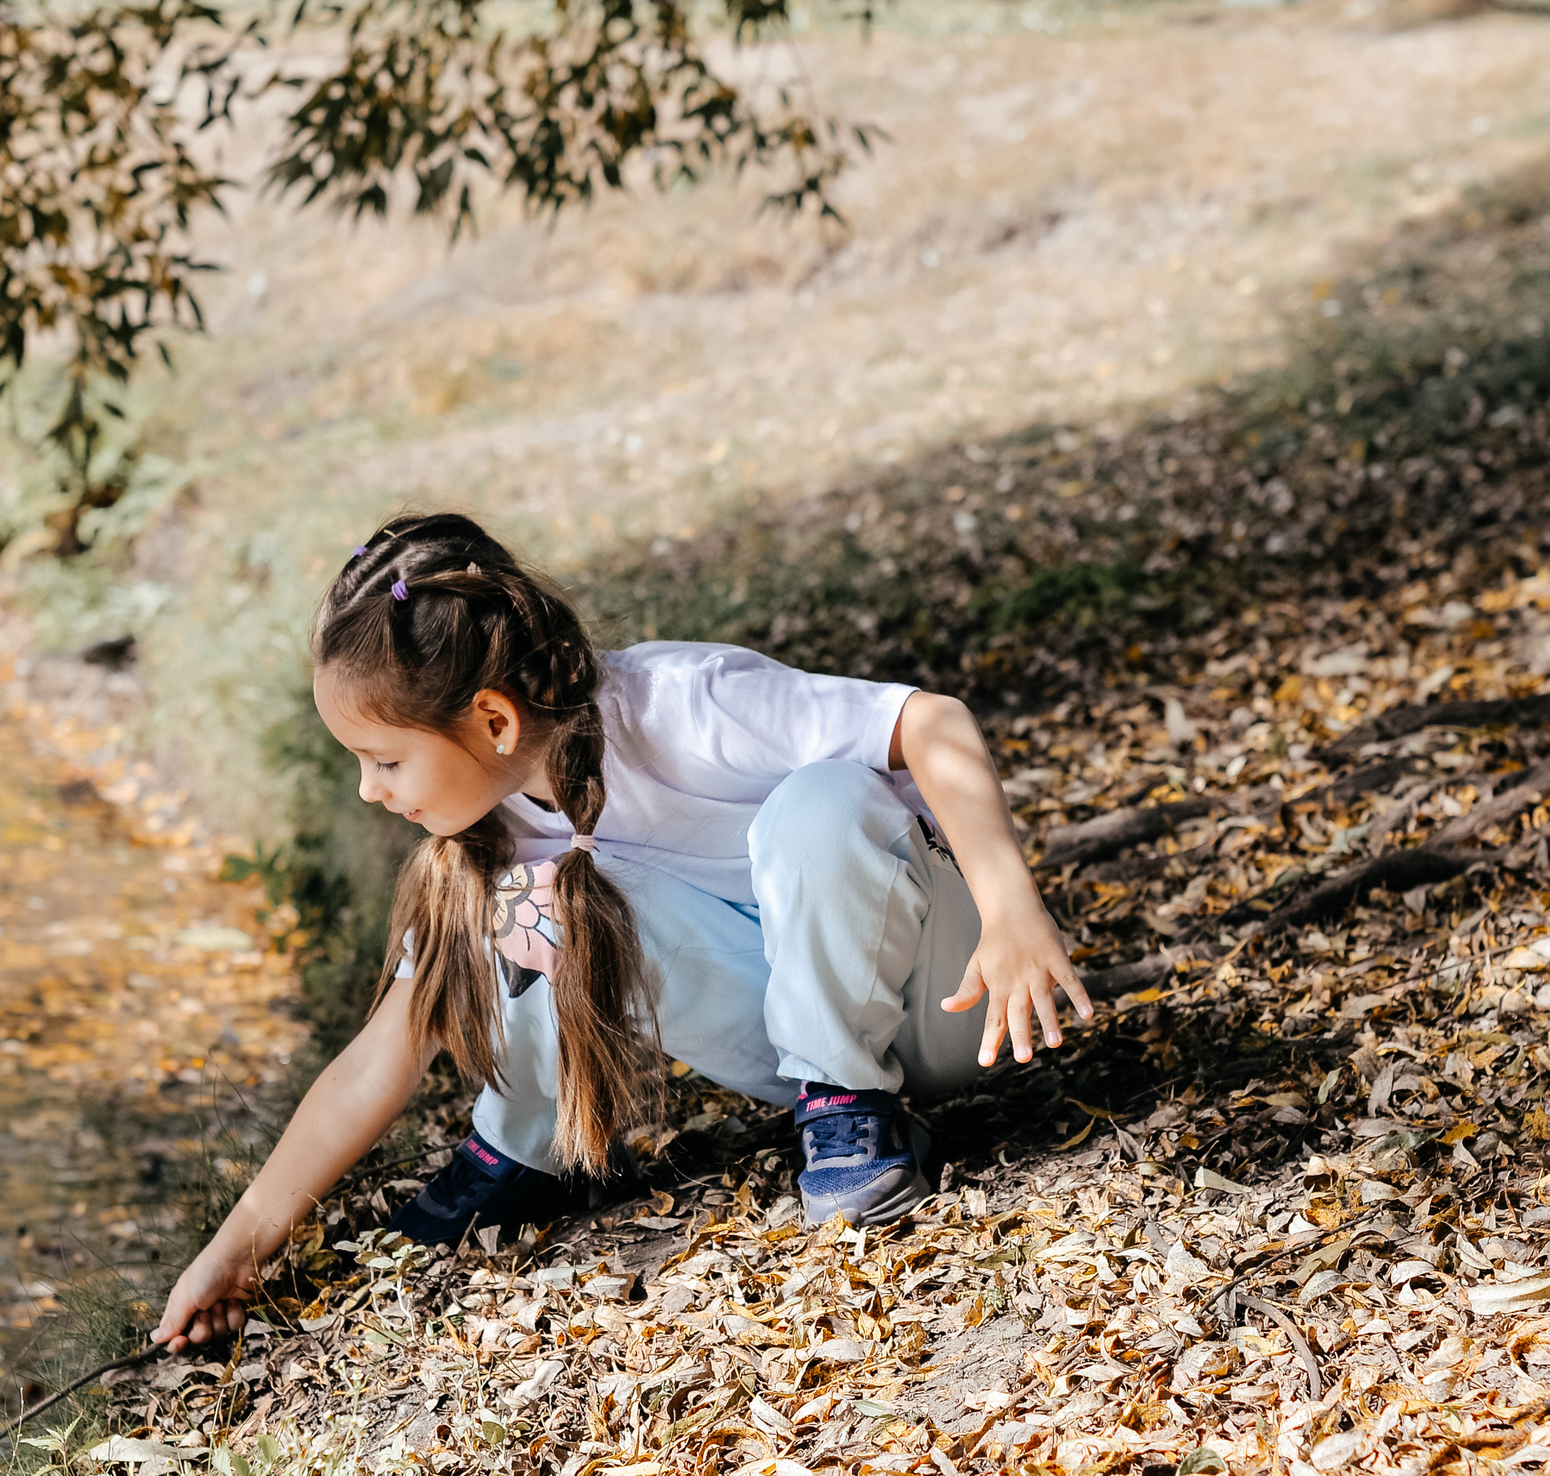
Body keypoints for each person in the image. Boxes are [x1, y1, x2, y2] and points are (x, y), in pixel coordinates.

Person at [153, 514, 1095, 1352]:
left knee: (823, 797)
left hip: (951, 998)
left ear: (491, 717)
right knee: (533, 895)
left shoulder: (682, 701)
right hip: (786, 1044)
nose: (370, 789)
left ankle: (856, 1112)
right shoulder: (492, 838)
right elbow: (380, 1055)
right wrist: (235, 1250)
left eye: (385, 758)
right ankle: (527, 1152)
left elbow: (930, 722)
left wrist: (1012, 907)